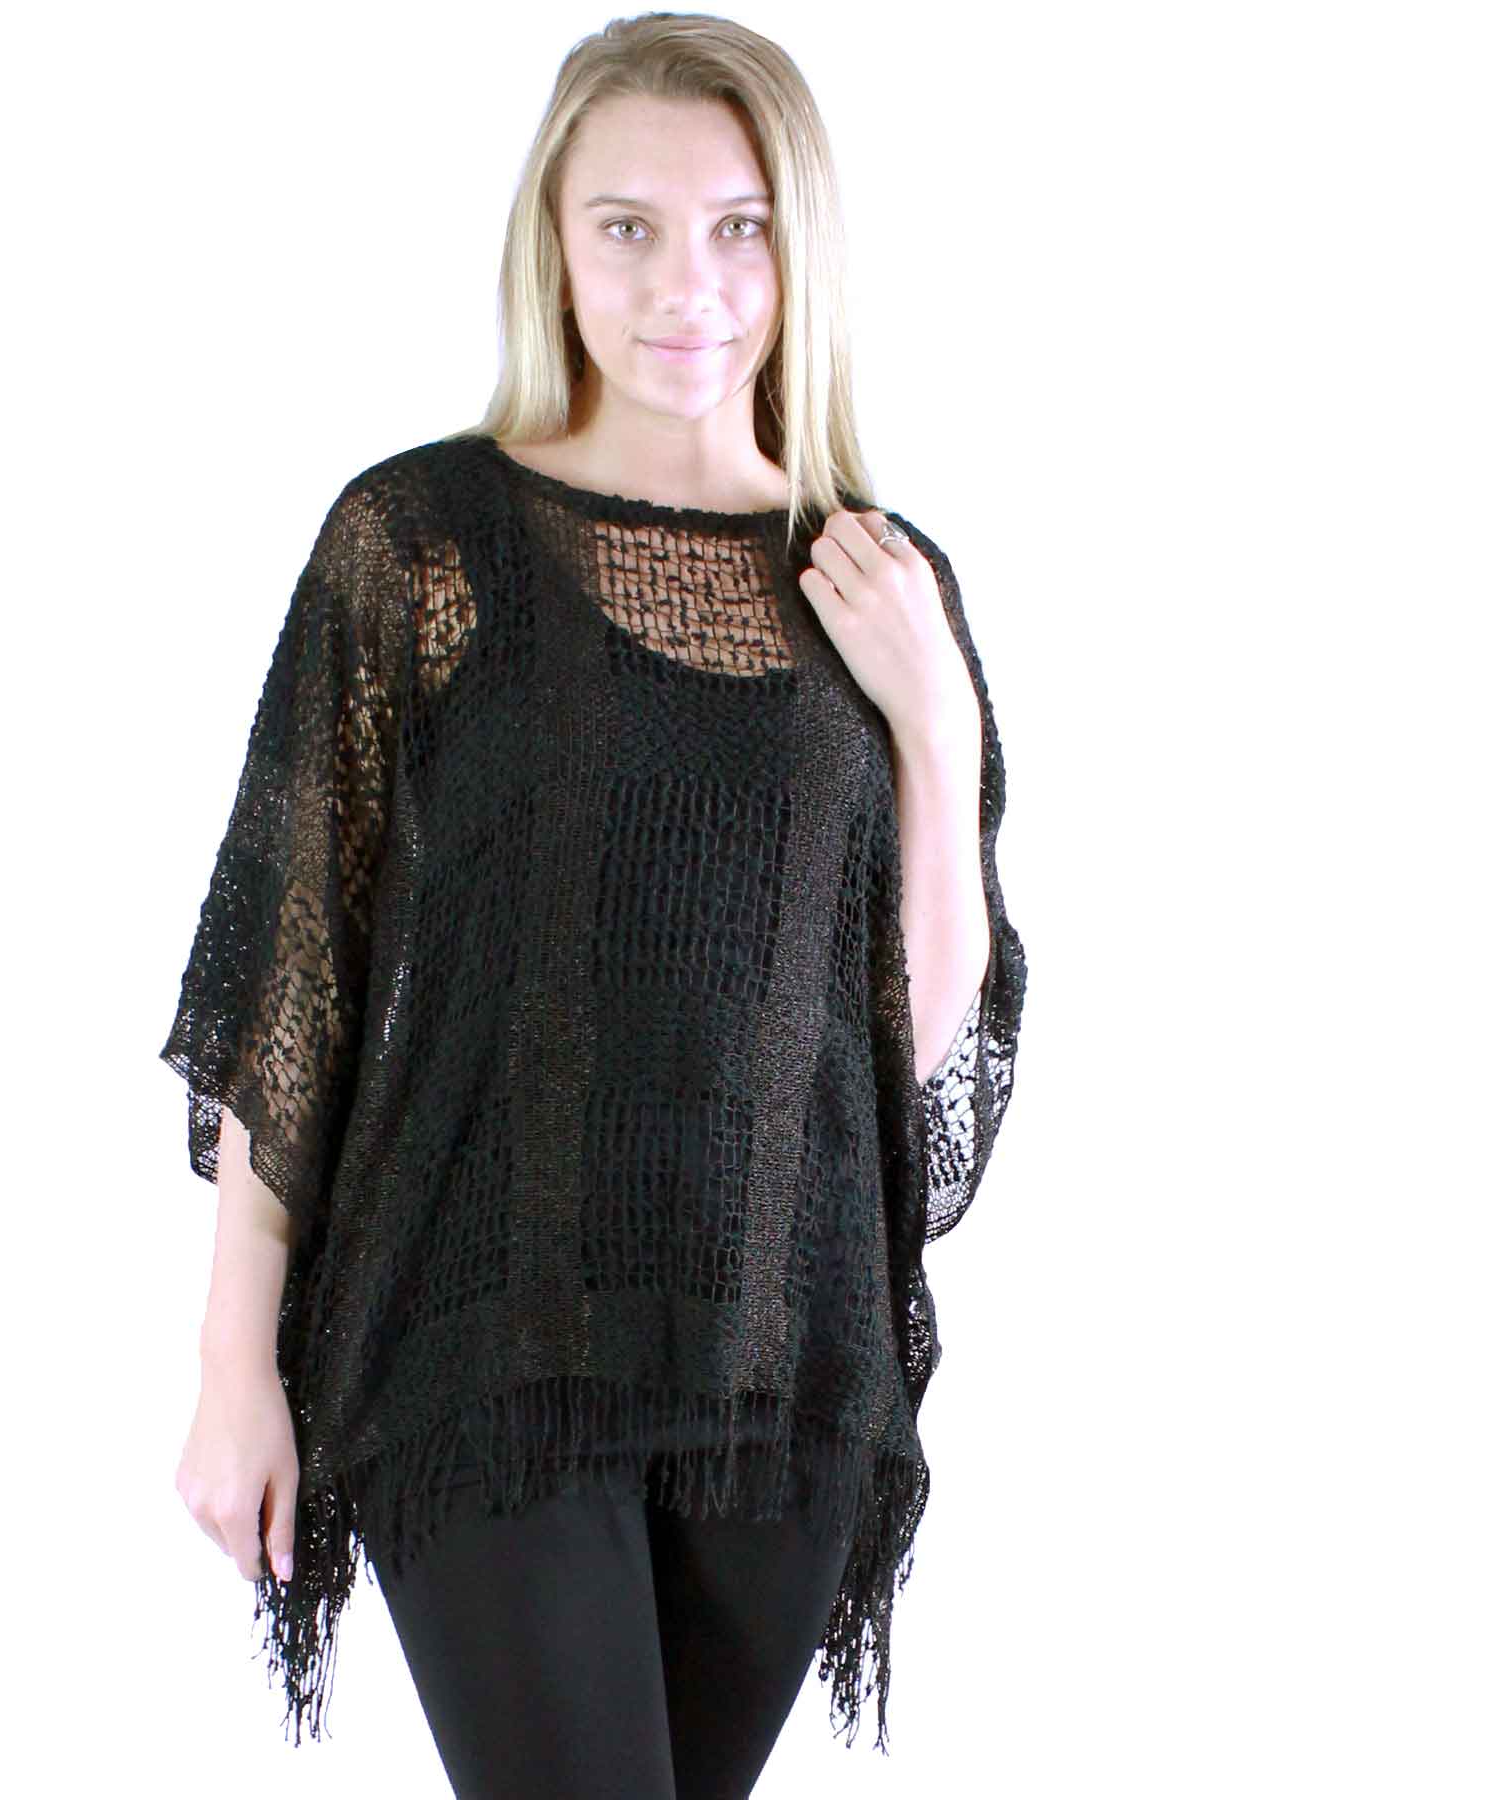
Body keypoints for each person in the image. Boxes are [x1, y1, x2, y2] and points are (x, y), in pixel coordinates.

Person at [163, 13, 1026, 1796]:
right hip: (481, 1334)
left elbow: (916, 1044)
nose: (684, 285)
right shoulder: (422, 543)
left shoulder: (878, 581)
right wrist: (233, 1362)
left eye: (738, 228)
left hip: (778, 1369)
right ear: (553, 241)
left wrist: (936, 732)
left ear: (799, 247)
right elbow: (293, 978)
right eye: (627, 226)